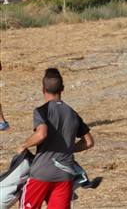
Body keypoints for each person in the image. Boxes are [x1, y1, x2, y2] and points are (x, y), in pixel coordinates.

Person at [17, 68, 96, 209]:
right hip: (65, 174)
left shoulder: (42, 110)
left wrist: (24, 145)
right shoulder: (72, 113)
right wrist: (69, 147)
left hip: (41, 173)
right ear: (63, 89)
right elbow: (89, 142)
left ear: (42, 89)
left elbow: (41, 134)